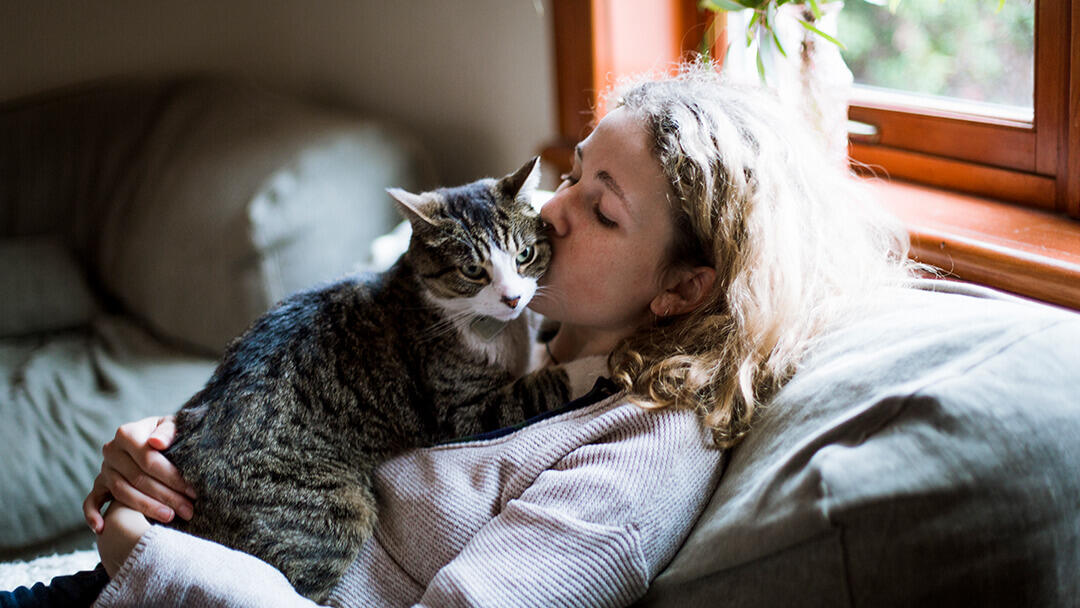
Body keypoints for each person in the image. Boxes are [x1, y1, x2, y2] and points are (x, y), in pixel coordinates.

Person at [8, 59, 914, 607]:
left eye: (599, 209)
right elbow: (294, 389)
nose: (549, 213)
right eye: (570, 175)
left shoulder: (639, 454)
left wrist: (142, 550)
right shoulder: (515, 317)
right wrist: (154, 458)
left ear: (684, 286)